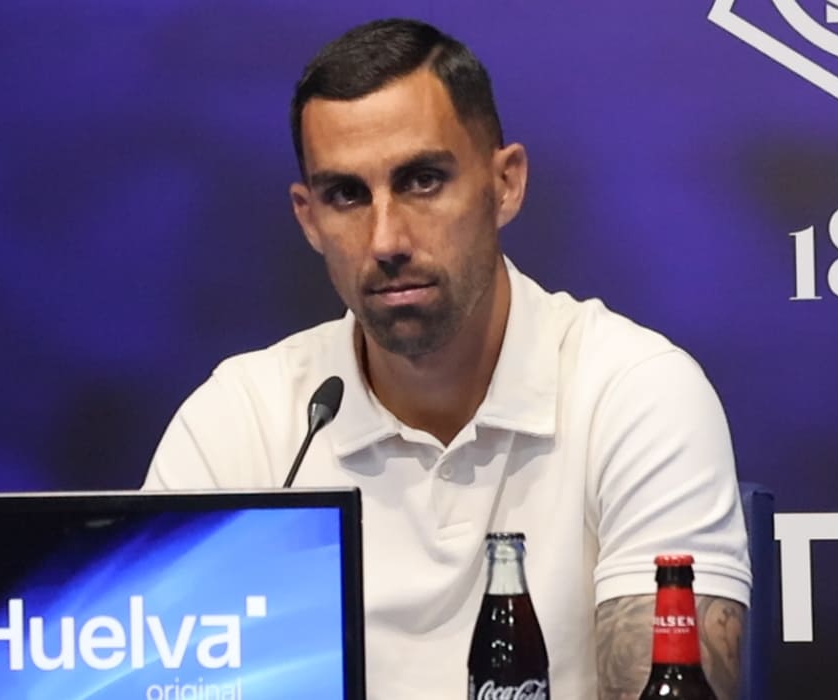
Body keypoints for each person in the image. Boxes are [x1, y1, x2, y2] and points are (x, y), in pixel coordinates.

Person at [144, 18, 750, 700]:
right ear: (308, 218)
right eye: (347, 195)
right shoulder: (239, 421)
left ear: (505, 183)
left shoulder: (636, 391)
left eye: (423, 180)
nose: (386, 240)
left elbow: (667, 685)